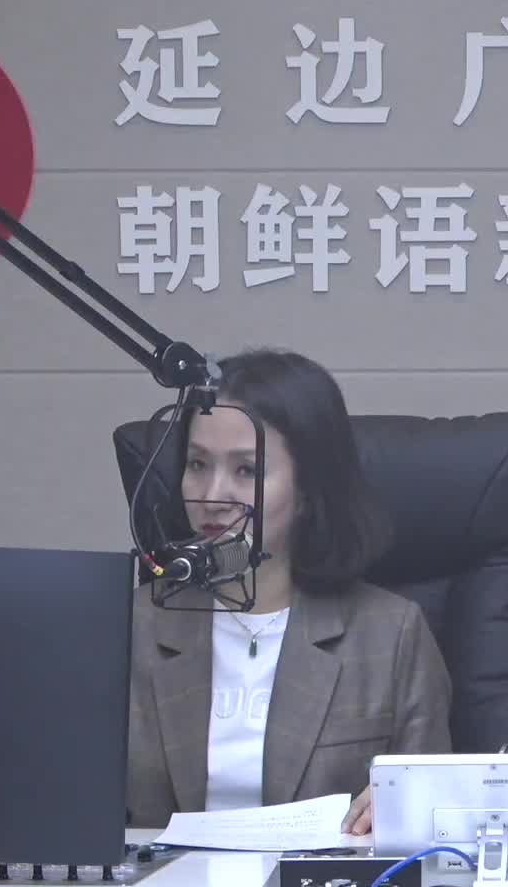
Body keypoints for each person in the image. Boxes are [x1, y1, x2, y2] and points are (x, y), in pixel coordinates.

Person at [125, 348, 452, 834]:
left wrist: (406, 808)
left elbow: (435, 815)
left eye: (246, 471)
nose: (212, 495)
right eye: (197, 464)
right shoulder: (130, 626)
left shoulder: (391, 634)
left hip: (317, 883)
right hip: (162, 883)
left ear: (308, 492)